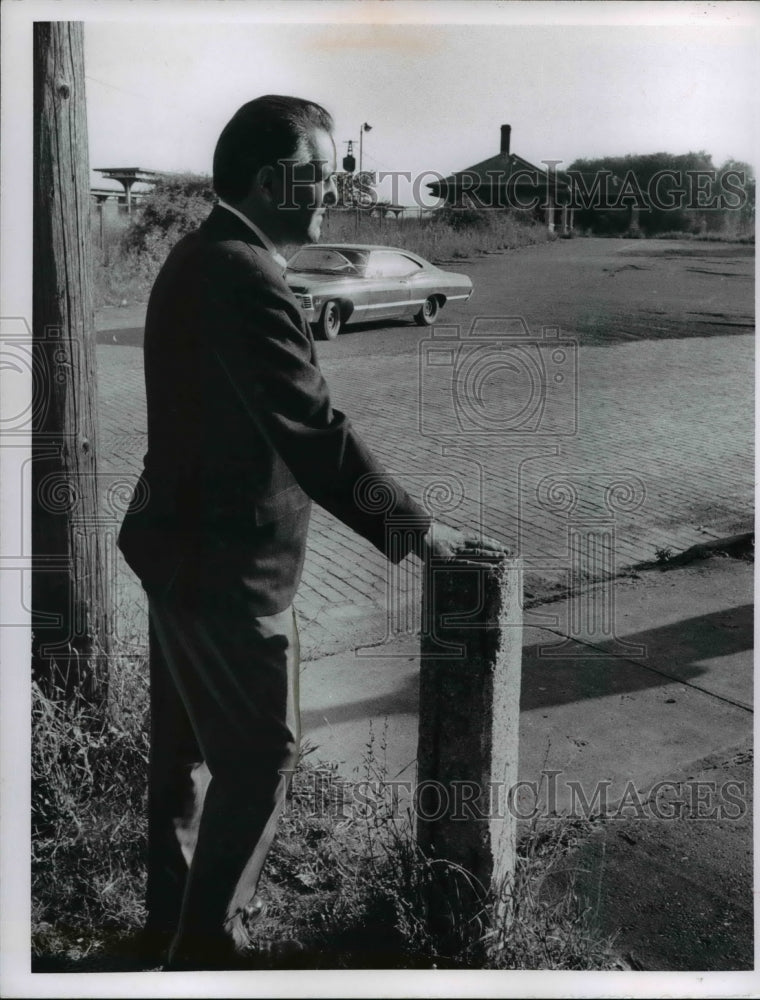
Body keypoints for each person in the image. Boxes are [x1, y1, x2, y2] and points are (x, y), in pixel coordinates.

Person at [118, 94, 504, 970]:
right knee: (260, 757)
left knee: (183, 754)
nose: (333, 191)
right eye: (321, 176)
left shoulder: (202, 254)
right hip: (229, 573)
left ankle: (167, 926)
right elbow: (312, 429)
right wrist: (418, 531)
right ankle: (208, 953)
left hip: (174, 552)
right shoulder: (244, 272)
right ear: (270, 179)